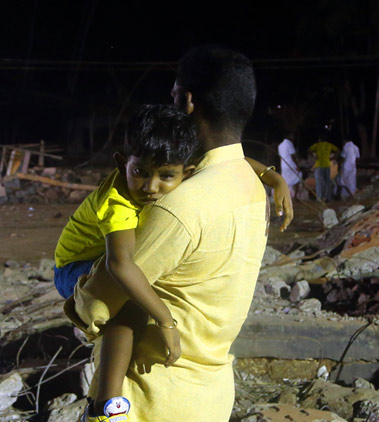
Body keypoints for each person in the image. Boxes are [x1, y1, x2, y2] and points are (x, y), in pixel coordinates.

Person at [74, 45, 291, 422]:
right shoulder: (253, 188)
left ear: (187, 101)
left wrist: (78, 288)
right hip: (211, 397)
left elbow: (99, 302)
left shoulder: (180, 206)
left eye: (173, 96)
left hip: (152, 401)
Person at [57, 104, 197, 421]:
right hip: (73, 267)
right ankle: (105, 406)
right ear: (123, 164)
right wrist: (166, 321)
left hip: (103, 257)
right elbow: (120, 266)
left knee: (139, 291)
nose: (151, 186)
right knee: (130, 304)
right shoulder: (117, 199)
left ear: (186, 174)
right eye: (141, 172)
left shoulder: (176, 170)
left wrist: (269, 175)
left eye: (166, 176)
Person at [308, 135, 339, 201]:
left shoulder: (317, 145)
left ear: (319, 139)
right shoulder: (329, 145)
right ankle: (328, 197)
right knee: (327, 182)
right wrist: (333, 158)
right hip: (327, 164)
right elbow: (337, 151)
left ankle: (319, 198)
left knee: (319, 182)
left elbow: (309, 150)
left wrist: (314, 156)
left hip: (319, 164)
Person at [277, 134, 301, 199]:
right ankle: (295, 197)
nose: (293, 137)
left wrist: (281, 166)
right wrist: (297, 165)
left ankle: (286, 197)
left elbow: (280, 158)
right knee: (298, 177)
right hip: (290, 165)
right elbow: (293, 156)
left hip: (284, 165)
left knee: (286, 181)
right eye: (292, 136)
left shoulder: (280, 145)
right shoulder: (289, 144)